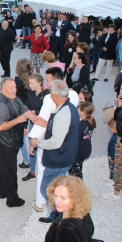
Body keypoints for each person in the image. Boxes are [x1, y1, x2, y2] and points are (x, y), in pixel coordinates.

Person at [30, 80, 80, 223]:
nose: (50, 94)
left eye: (51, 92)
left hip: (59, 159)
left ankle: (59, 215)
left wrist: (37, 143)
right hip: (63, 157)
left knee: (48, 188)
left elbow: (56, 142)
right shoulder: (68, 108)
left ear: (56, 95)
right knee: (54, 188)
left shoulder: (63, 113)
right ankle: (56, 215)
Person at [38, 176, 94, 242]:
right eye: (55, 196)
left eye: (63, 198)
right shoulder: (84, 215)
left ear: (76, 199)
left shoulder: (66, 231)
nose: (57, 202)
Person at [0, 78, 36, 207]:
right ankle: (13, 200)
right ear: (2, 90)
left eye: (15, 87)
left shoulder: (14, 98)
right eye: (11, 87)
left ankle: (2, 191)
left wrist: (36, 119)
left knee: (3, 167)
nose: (14, 90)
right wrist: (20, 119)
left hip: (10, 141)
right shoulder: (1, 104)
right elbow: (0, 126)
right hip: (4, 143)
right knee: (11, 171)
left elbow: (25, 109)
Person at [20, 74, 50, 181]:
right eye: (29, 83)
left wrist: (35, 112)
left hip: (44, 126)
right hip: (33, 125)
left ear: (39, 83)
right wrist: (24, 126)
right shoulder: (30, 93)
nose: (29, 85)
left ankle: (45, 173)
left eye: (32, 83)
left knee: (44, 150)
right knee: (32, 148)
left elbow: (48, 111)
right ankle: (32, 172)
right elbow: (27, 109)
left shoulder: (47, 95)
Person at [68, 102, 96, 179]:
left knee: (74, 172)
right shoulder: (90, 122)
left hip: (79, 152)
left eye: (78, 108)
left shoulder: (81, 125)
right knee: (78, 169)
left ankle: (78, 187)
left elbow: (75, 138)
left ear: (82, 112)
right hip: (85, 150)